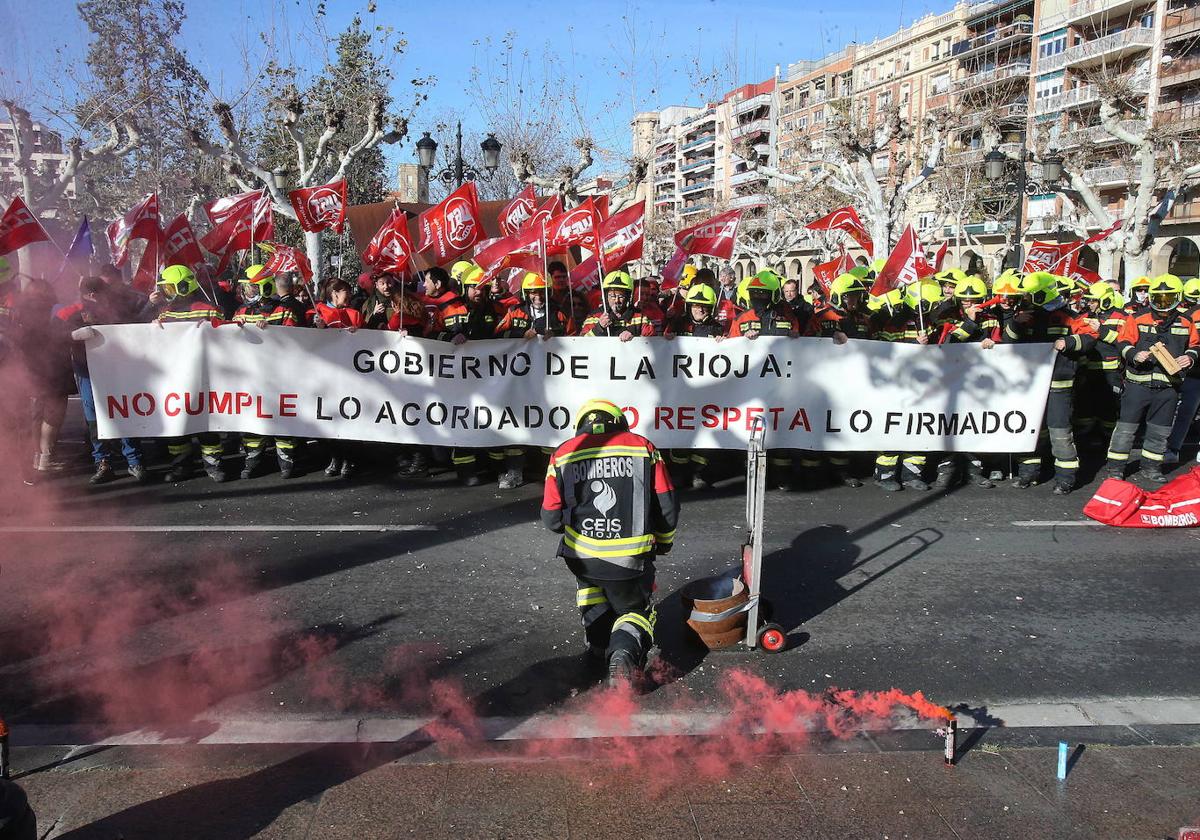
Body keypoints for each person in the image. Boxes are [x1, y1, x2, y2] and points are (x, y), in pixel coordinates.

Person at [541, 398, 678, 687]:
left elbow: (551, 519)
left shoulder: (563, 454)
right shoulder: (643, 447)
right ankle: (622, 653)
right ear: (619, 421)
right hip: (630, 561)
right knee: (635, 610)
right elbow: (667, 505)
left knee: (591, 589)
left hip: (582, 557)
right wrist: (664, 542)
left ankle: (599, 644)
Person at [1004, 271, 1099, 494]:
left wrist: (1067, 342)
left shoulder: (1069, 315)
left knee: (1059, 431)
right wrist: (1016, 324)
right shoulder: (1025, 316)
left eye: (1029, 295)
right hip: (1030, 385)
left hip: (1059, 384)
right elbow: (1008, 343)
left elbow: (1089, 339)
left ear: (1041, 295)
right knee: (1030, 430)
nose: (1024, 299)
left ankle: (1065, 478)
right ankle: (1028, 473)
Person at [1105, 273, 1199, 484]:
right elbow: (1123, 341)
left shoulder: (1186, 321)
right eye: (1158, 299)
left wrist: (1190, 358)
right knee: (1126, 429)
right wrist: (1133, 354)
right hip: (1138, 383)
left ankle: (1151, 467)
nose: (1162, 304)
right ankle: (1116, 468)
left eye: (1167, 299)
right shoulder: (1137, 318)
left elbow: (1195, 345)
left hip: (1169, 387)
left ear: (1177, 297)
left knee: (1160, 431)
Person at [62, 276, 147, 484]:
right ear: (91, 295)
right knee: (94, 417)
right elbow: (51, 335)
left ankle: (134, 460)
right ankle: (103, 462)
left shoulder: (116, 308)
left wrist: (151, 306)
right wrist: (72, 335)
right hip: (87, 372)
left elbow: (135, 326)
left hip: (116, 370)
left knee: (123, 409)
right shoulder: (72, 312)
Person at [150, 265, 226, 482]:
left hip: (205, 375)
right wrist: (153, 327)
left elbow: (227, 337)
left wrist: (215, 326)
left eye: (169, 287)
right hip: (175, 377)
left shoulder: (210, 309)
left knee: (206, 421)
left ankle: (213, 464)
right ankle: (181, 466)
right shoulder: (165, 312)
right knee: (177, 422)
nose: (166, 291)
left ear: (182, 287)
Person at [231, 266, 299, 479]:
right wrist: (234, 326)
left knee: (281, 415)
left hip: (280, 375)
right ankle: (252, 459)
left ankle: (286, 460)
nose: (247, 292)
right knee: (252, 417)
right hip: (249, 376)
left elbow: (297, 340)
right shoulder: (241, 311)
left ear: (264, 287)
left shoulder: (283, 310)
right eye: (247, 288)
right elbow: (226, 339)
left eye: (251, 288)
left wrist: (271, 331)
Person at [314, 279, 363, 478]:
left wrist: (358, 335)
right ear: (334, 293)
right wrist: (317, 329)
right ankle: (335, 456)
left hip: (350, 375)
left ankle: (348, 458)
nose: (349, 296)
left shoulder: (355, 314)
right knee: (327, 417)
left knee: (348, 417)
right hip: (325, 374)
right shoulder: (317, 311)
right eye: (346, 292)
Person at [1166, 277, 1200, 463]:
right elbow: (1185, 343)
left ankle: (1173, 449)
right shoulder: (1190, 315)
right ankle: (1173, 448)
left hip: (1194, 372)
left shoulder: (1189, 314)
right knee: (1186, 412)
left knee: (1185, 412)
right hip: (1194, 372)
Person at [582, 271, 657, 340]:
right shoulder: (594, 317)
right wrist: (599, 327)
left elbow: (653, 342)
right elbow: (581, 343)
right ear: (606, 296)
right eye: (612, 296)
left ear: (628, 297)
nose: (616, 300)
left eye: (621, 296)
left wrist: (634, 339)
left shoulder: (639, 316)